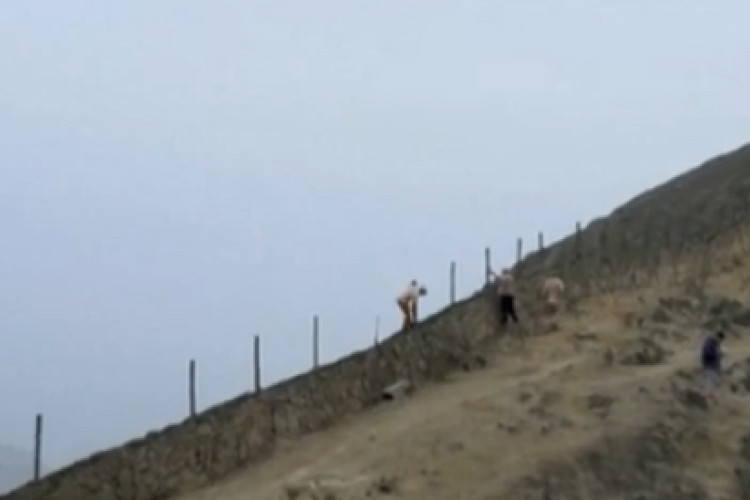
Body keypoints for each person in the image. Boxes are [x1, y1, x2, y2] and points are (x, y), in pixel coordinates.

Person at [701, 331, 725, 403]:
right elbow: (708, 353)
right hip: (709, 365)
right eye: (720, 339)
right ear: (717, 337)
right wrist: (718, 354)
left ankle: (711, 396)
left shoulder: (715, 344)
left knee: (714, 381)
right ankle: (707, 397)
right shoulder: (709, 343)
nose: (720, 341)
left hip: (714, 366)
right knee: (710, 381)